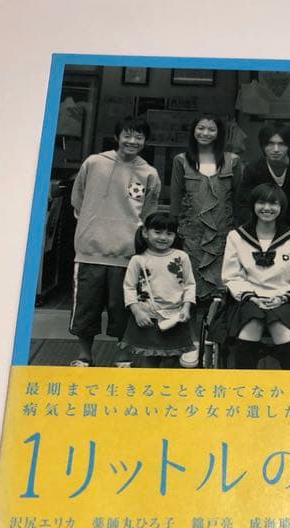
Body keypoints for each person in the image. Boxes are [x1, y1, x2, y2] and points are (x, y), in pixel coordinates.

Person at [69, 115, 161, 367]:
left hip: (127, 255)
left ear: (145, 141)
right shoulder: (94, 163)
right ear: (117, 137)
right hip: (90, 251)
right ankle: (84, 356)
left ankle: (123, 358)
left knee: (123, 308)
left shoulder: (149, 173)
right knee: (86, 308)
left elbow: (148, 213)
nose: (132, 141)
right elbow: (77, 200)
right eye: (127, 135)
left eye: (139, 137)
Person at [213, 183, 290, 370]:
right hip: (248, 300)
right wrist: (252, 297)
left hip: (285, 299)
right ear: (253, 205)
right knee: (251, 321)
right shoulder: (236, 237)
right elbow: (232, 276)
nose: (267, 208)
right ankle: (244, 385)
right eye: (261, 202)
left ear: (281, 207)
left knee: (280, 324)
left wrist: (282, 298)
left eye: (273, 203)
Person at [169, 114, 242, 367]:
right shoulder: (181, 161)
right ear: (193, 131)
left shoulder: (233, 161)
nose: (205, 133)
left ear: (219, 133)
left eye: (211, 129)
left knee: (220, 292)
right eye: (201, 128)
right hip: (190, 237)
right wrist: (173, 235)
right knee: (189, 290)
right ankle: (192, 343)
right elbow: (175, 201)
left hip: (223, 238)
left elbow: (239, 200)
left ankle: (216, 341)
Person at [119, 212, 196, 367]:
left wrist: (186, 307)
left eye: (169, 233)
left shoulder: (181, 257)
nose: (163, 237)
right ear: (145, 232)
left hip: (174, 317)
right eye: (158, 232)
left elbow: (189, 284)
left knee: (171, 359)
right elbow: (129, 287)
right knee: (149, 359)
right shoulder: (138, 260)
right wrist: (137, 312)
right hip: (148, 317)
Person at [239, 122, 290, 237]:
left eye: (281, 144)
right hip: (264, 226)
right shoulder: (252, 169)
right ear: (262, 145)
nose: (276, 149)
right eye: (270, 144)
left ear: (289, 145)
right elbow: (246, 204)